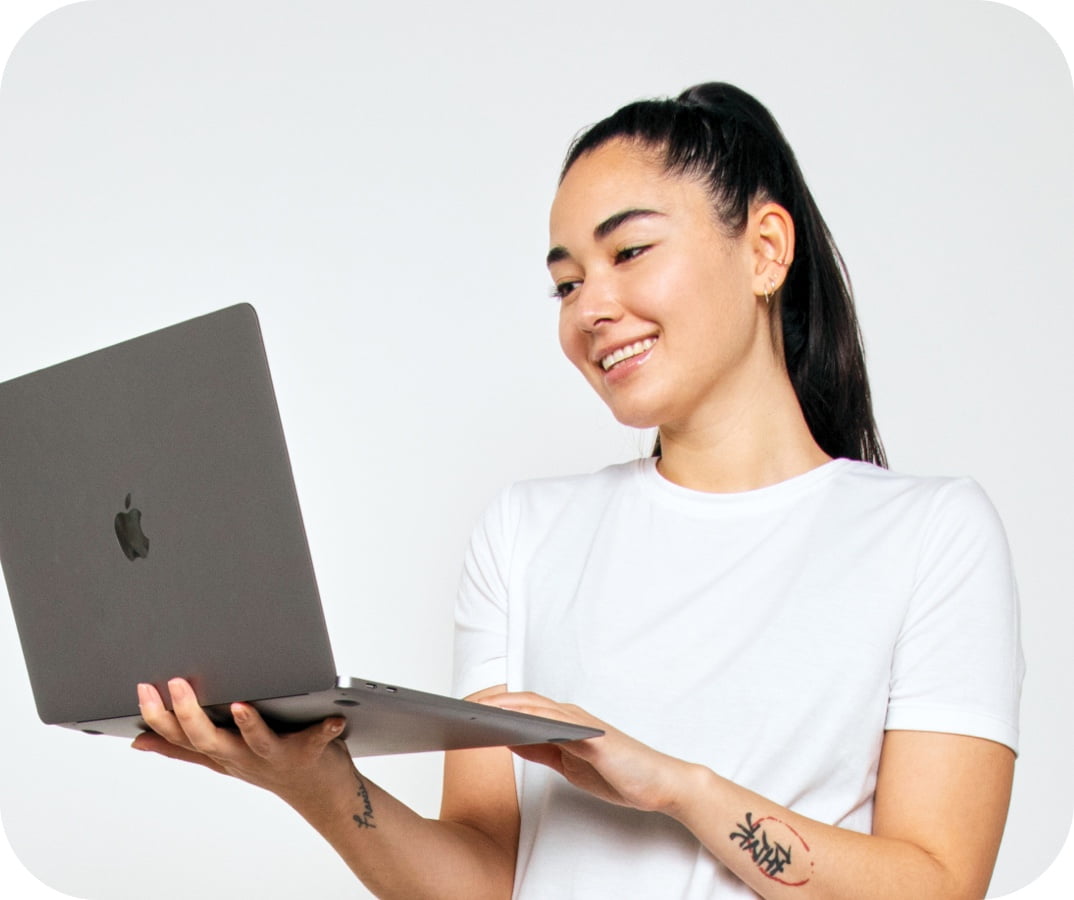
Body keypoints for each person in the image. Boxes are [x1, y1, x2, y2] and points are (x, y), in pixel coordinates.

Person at [132, 83, 1023, 899]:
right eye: (566, 282)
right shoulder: (524, 535)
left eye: (629, 251)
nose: (589, 308)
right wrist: (320, 785)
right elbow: (483, 879)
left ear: (764, 251)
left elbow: (939, 885)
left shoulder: (929, 535)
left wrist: (674, 786)